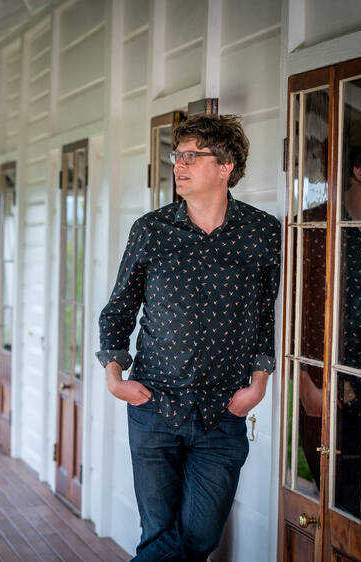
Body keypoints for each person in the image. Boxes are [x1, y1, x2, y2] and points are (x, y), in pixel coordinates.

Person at [97, 114, 281, 561]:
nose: (178, 165)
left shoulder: (261, 233)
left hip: (223, 410)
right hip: (153, 404)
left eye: (191, 156)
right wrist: (114, 377)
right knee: (159, 533)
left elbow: (265, 316)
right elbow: (119, 308)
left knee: (199, 537)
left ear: (225, 166)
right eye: (177, 156)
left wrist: (258, 384)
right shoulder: (151, 230)